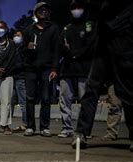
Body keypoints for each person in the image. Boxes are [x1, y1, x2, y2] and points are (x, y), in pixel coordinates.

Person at [73, 0, 133, 150]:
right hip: (103, 40)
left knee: (125, 90)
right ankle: (81, 132)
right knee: (92, 87)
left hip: (123, 39)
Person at [57, 0, 96, 138]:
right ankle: (67, 128)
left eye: (79, 7)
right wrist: (66, 52)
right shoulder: (66, 28)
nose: (76, 10)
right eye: (74, 8)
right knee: (64, 100)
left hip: (84, 70)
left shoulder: (90, 25)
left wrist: (75, 54)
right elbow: (60, 47)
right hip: (66, 70)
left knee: (85, 101)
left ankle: (84, 131)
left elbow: (92, 46)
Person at [22, 2, 60, 137]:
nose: (44, 12)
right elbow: (21, 50)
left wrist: (54, 68)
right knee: (30, 97)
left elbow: (56, 50)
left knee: (45, 98)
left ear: (49, 13)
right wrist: (28, 47)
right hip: (30, 69)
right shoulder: (28, 30)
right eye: (41, 10)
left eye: (46, 10)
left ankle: (44, 127)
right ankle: (30, 126)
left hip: (47, 69)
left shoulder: (54, 29)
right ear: (36, 13)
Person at [12, 30, 27, 132]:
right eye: (15, 35)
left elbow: (23, 64)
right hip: (12, 77)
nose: (16, 37)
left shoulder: (23, 49)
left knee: (23, 102)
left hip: (20, 77)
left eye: (18, 35)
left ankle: (25, 123)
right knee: (10, 101)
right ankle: (6, 123)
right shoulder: (14, 49)